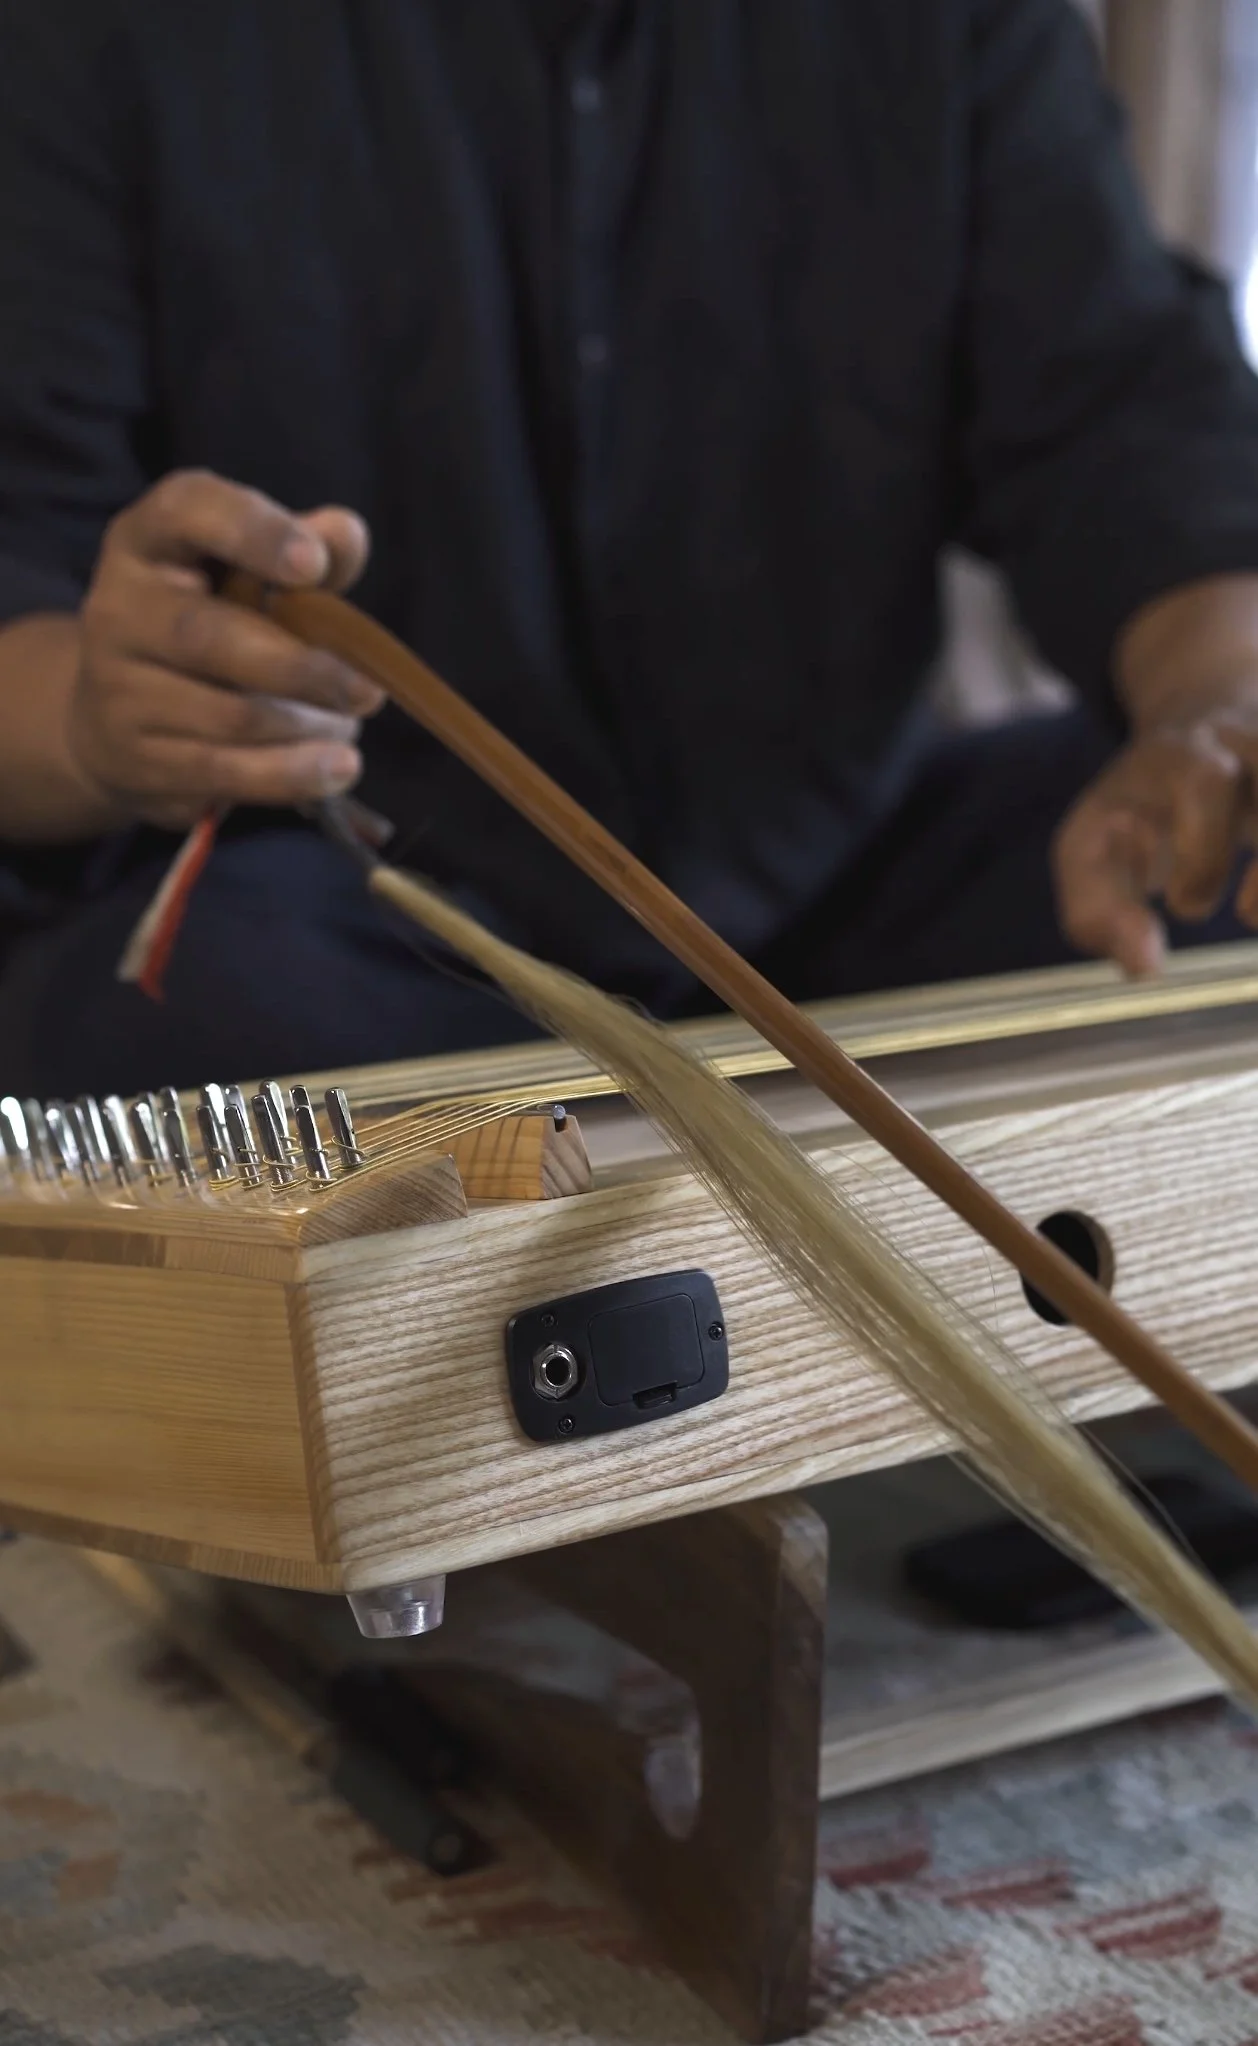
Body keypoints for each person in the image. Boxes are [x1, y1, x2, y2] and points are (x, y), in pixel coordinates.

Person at [3, 0, 1258, 1097]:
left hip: (843, 878)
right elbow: (26, 566)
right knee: (185, 1015)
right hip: (374, 923)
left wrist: (1211, 715)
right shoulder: (96, 27)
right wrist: (100, 714)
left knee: (1225, 865)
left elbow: (1129, 428)